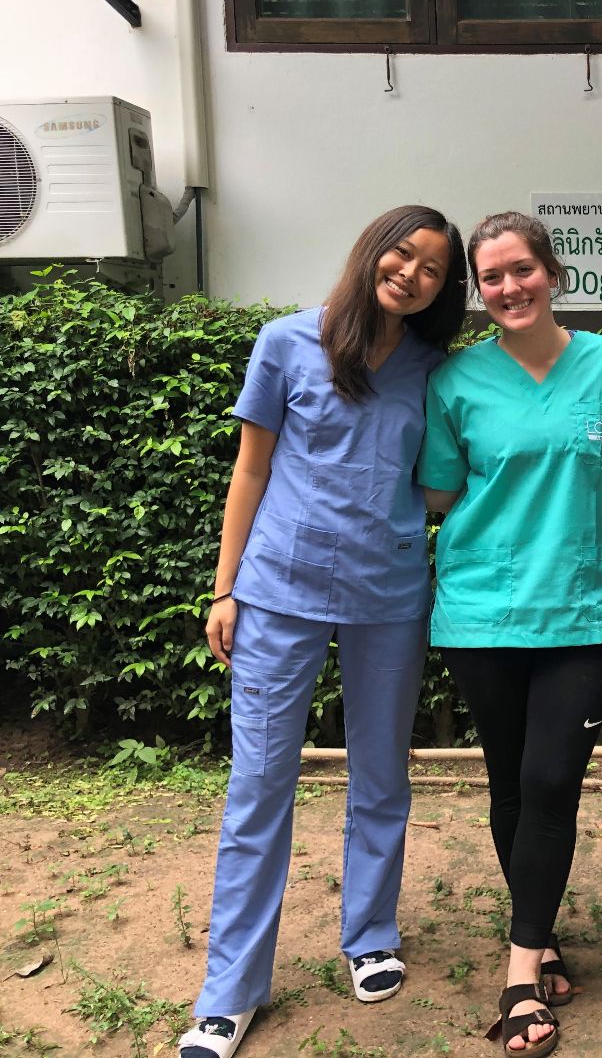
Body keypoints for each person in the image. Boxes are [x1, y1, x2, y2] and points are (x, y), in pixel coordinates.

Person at [180, 206, 467, 1058]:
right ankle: (230, 991)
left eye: (432, 269)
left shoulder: (434, 371)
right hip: (278, 593)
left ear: (443, 290)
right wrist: (225, 587)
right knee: (259, 786)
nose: (411, 274)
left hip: (390, 598)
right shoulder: (285, 342)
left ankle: (370, 934)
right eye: (402, 253)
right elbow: (252, 466)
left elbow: (440, 484)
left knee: (381, 776)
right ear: (373, 249)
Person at [420, 212, 602, 1057]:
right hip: (481, 612)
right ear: (477, 291)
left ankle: (520, 973)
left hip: (583, 611)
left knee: (553, 778)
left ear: (553, 273)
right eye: (492, 278)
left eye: (522, 269)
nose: (509, 287)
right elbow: (439, 497)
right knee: (511, 784)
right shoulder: (454, 384)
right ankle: (541, 932)